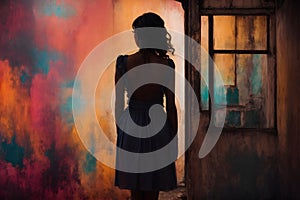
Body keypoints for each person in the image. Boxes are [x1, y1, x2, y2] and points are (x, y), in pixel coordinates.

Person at [114, 12, 178, 200]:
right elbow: (171, 106)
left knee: (135, 190)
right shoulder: (167, 65)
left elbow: (118, 103)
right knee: (153, 188)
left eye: (136, 32)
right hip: (158, 128)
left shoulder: (123, 63)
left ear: (141, 35)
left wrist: (121, 133)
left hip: (131, 126)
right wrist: (173, 139)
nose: (134, 36)